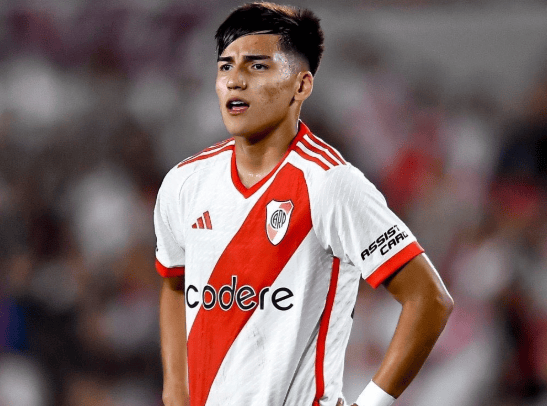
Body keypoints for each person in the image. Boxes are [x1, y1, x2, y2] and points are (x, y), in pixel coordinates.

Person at [154, 3, 453, 406]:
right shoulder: (184, 183)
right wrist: (175, 392)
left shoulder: (331, 184)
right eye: (226, 66)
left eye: (257, 66)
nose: (235, 81)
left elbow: (429, 299)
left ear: (301, 86)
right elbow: (174, 285)